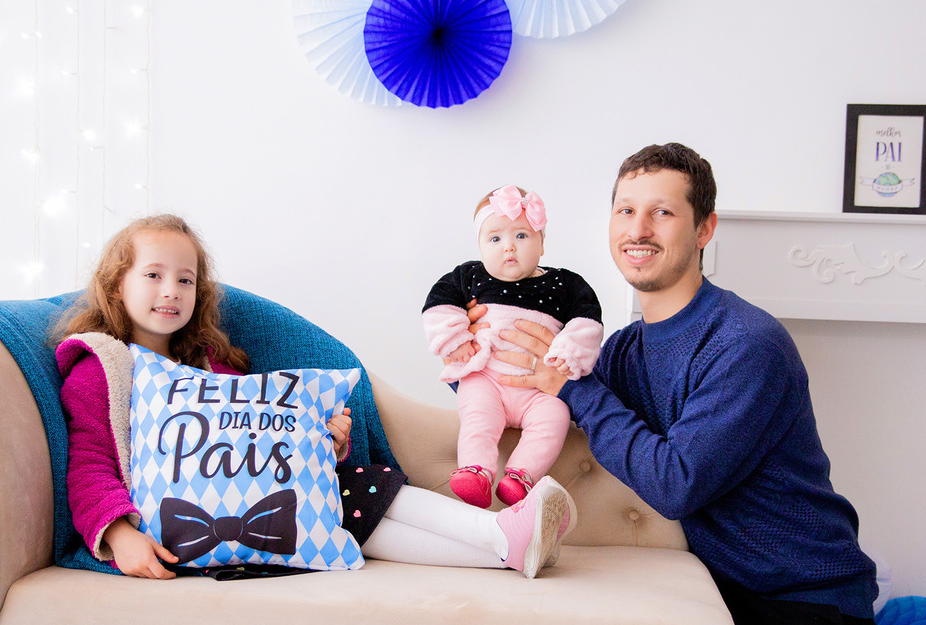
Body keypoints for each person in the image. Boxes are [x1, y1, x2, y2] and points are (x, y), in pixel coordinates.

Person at [492, 145, 878, 625]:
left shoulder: (745, 343)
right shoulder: (624, 349)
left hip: (801, 604)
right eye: (626, 210)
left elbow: (677, 482)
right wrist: (494, 353)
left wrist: (574, 389)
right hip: (708, 590)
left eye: (662, 212)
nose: (638, 229)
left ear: (704, 229)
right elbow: (548, 402)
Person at [56, 214, 571, 581]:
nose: (170, 290)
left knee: (357, 485)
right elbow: (89, 464)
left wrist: (324, 441)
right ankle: (502, 536)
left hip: (257, 495)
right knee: (348, 503)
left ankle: (505, 542)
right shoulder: (101, 368)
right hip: (176, 520)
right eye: (152, 275)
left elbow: (259, 439)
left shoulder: (211, 364)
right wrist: (119, 533)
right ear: (115, 284)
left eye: (184, 280)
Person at [422, 185, 603, 508]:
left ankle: (521, 476)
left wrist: (569, 354)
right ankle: (476, 471)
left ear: (542, 243)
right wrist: (456, 340)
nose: (509, 248)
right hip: (486, 378)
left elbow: (587, 322)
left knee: (556, 418)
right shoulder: (469, 276)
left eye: (521, 236)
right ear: (479, 246)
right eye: (495, 239)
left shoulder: (565, 283)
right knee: (477, 416)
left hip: (540, 390)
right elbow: (438, 306)